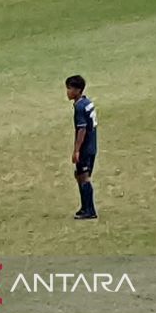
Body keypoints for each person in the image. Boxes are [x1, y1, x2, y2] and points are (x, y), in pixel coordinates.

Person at [66, 74, 98, 220]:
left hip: (85, 148)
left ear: (78, 90)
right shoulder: (87, 102)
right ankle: (85, 207)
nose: (68, 92)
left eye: (70, 88)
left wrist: (76, 150)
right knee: (80, 175)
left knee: (84, 177)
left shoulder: (79, 107)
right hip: (92, 145)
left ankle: (89, 210)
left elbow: (82, 129)